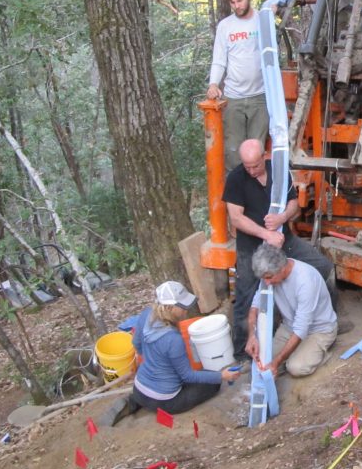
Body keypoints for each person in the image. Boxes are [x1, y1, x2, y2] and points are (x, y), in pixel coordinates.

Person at [222, 139, 335, 360]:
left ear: (264, 156)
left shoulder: (278, 169)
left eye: (255, 165)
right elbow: (236, 217)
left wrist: (282, 217)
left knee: (323, 266)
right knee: (247, 295)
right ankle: (243, 351)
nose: (252, 170)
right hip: (252, 247)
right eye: (247, 166)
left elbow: (294, 203)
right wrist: (266, 234)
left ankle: (326, 321)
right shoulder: (236, 178)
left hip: (284, 239)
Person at [100, 282, 240, 426]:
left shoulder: (146, 314)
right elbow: (188, 376)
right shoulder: (173, 339)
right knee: (211, 384)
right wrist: (221, 376)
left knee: (166, 376)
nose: (186, 310)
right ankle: (151, 402)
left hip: (139, 388)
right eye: (183, 306)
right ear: (170, 307)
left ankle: (135, 402)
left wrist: (152, 363)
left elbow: (137, 344)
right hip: (166, 400)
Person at [245, 243, 338, 377]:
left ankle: (321, 352)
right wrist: (252, 336)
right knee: (263, 363)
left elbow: (301, 329)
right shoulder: (268, 275)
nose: (266, 283)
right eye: (263, 278)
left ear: (282, 268)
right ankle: (296, 354)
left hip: (319, 330)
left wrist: (277, 362)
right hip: (289, 327)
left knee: (295, 368)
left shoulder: (305, 280)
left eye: (269, 278)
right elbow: (255, 306)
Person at [207, 0, 268, 173]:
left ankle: (260, 198)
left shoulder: (262, 20)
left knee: (256, 151)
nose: (237, 6)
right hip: (234, 98)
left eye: (240, 0)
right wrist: (213, 83)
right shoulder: (225, 26)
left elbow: (272, 56)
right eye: (233, 2)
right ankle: (238, 199)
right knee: (234, 152)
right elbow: (219, 60)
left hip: (260, 96)